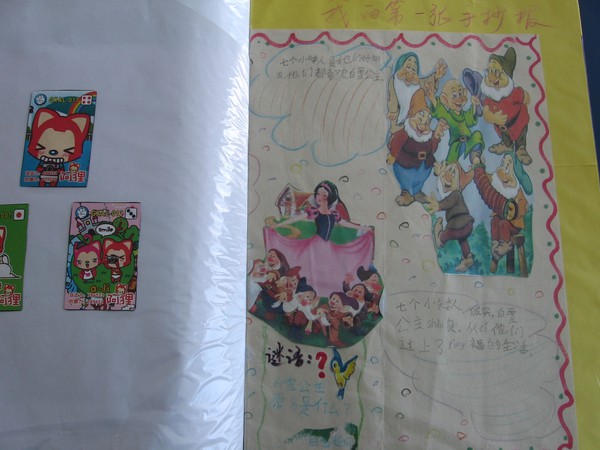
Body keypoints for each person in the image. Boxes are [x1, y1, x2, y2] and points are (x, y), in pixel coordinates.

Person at [271, 180, 369, 240]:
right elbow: (295, 219)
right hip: (316, 243)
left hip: (327, 245)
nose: (319, 197)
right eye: (318, 194)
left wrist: (363, 228)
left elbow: (346, 224)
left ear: (329, 197)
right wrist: (277, 225)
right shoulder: (314, 212)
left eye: (324, 195)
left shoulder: (334, 214)